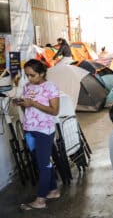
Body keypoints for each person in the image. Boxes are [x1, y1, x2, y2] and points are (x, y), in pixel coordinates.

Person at [18, 59, 60, 210]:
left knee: (43, 165)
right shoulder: (27, 87)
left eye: (33, 75)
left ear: (42, 73)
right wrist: (23, 105)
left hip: (44, 130)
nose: (30, 78)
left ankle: (40, 200)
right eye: (27, 75)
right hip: (30, 129)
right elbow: (27, 109)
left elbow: (55, 111)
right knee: (42, 162)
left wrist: (33, 104)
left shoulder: (51, 87)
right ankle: (53, 190)